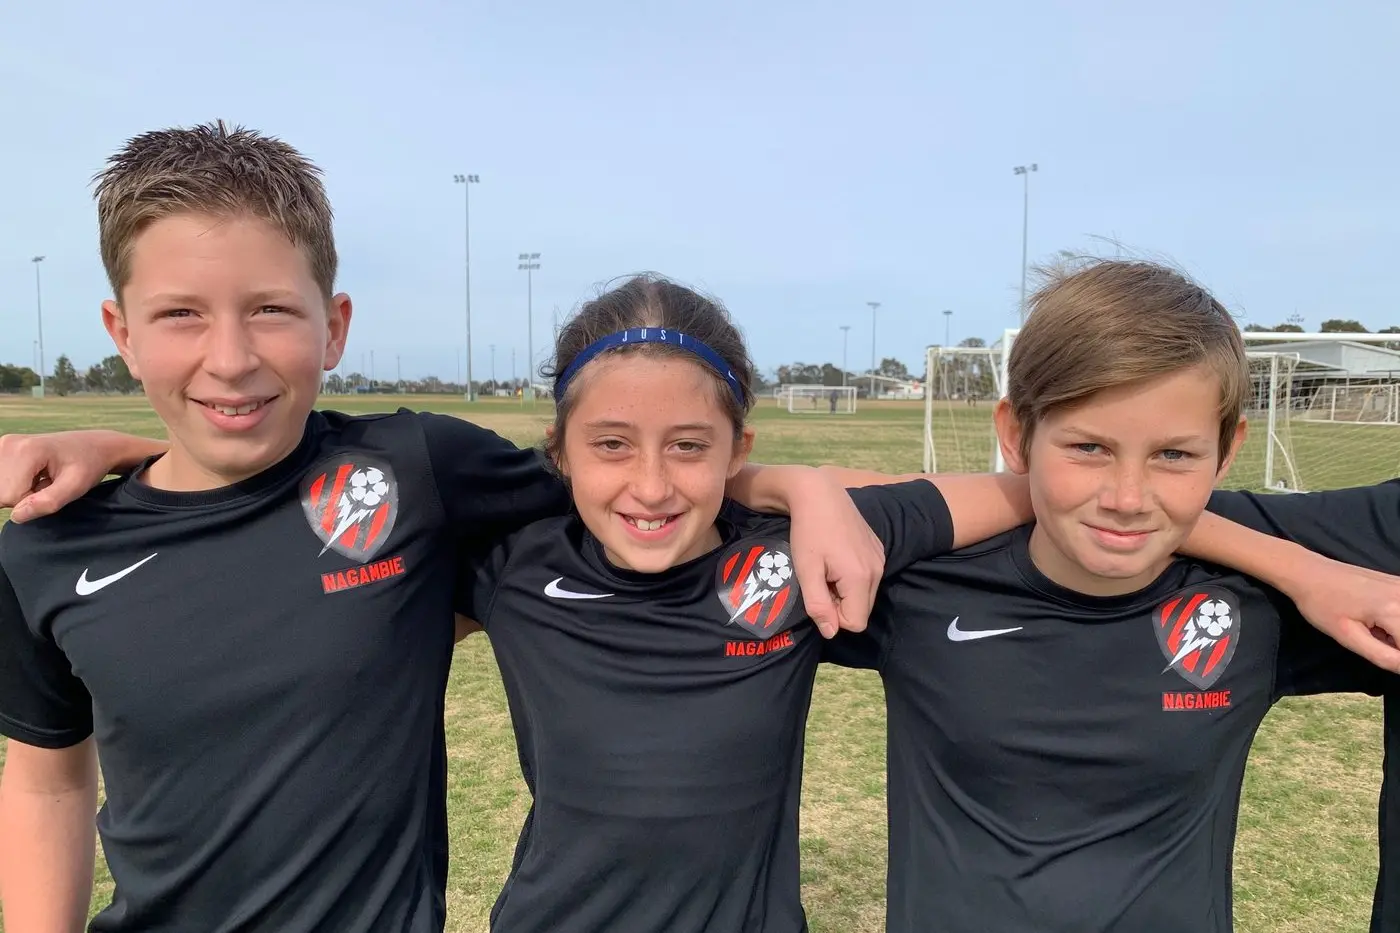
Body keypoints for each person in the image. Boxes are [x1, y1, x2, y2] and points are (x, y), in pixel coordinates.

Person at [0, 123, 884, 933]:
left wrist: (798, 486)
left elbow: (628, 480)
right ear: (121, 331)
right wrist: (120, 447)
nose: (229, 357)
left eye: (269, 308)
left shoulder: (415, 471)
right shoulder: (47, 546)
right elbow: (47, 784)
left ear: (334, 326)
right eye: (180, 313)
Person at [821, 258, 1400, 933]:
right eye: (1089, 447)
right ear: (1015, 435)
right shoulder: (917, 586)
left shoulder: (1256, 611)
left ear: (1227, 450)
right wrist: (795, 486)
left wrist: (1301, 572)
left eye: (1173, 455)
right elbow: (732, 505)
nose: (1127, 498)